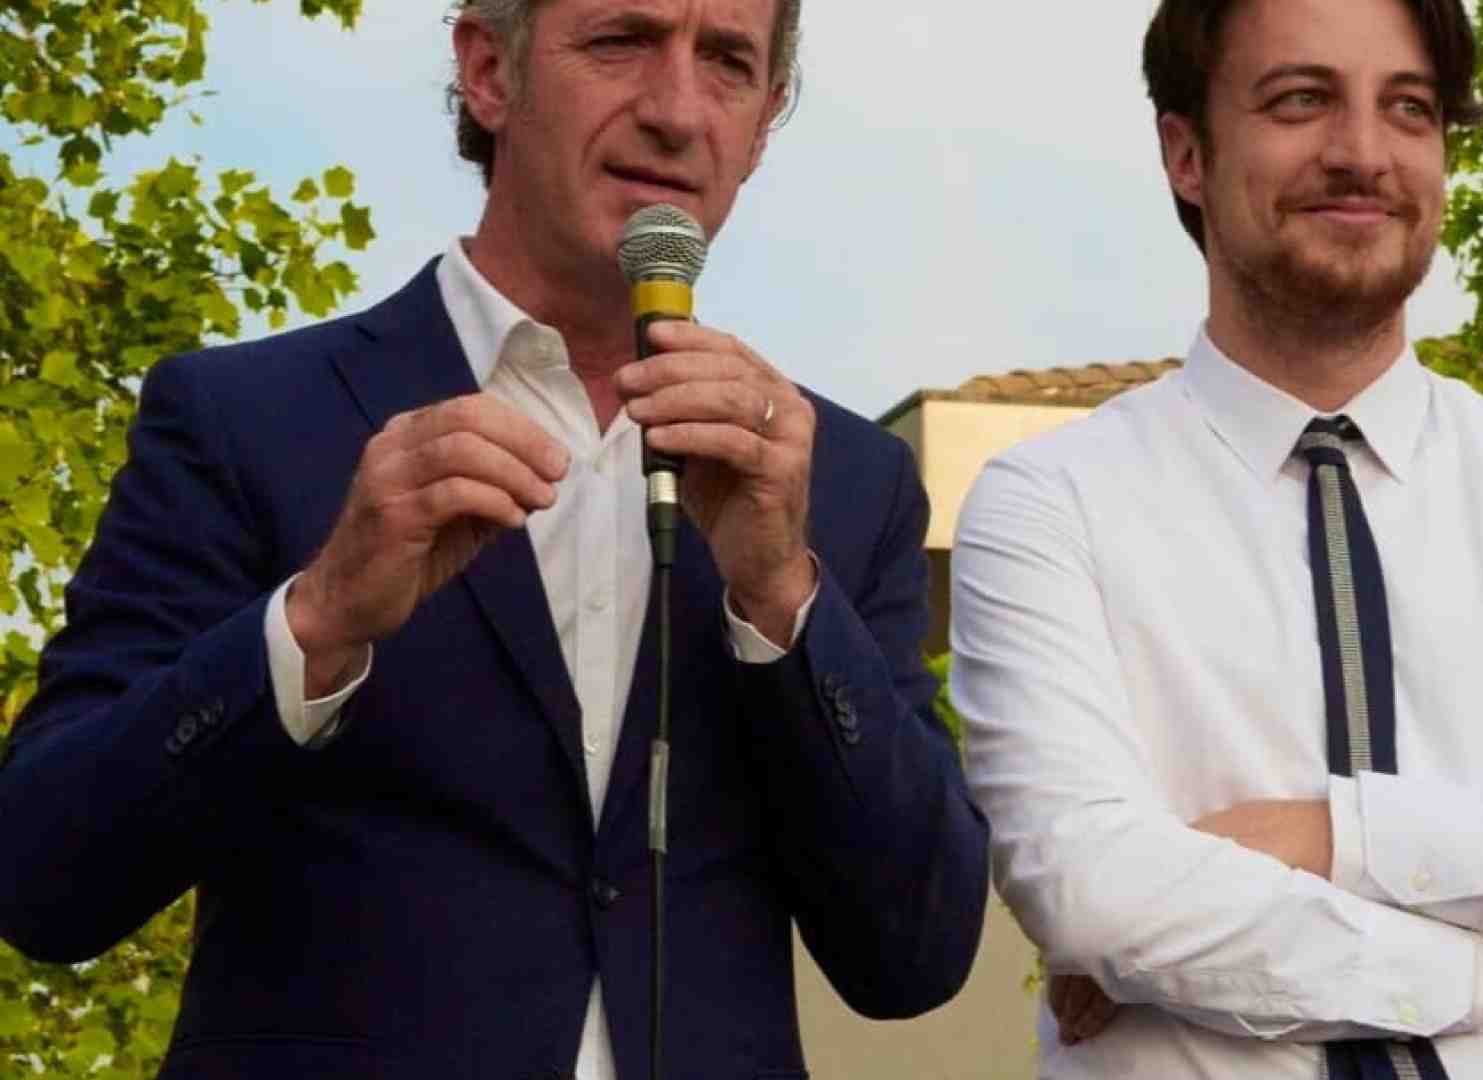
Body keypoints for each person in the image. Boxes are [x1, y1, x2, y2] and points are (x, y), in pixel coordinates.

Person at [0, 1, 989, 1077]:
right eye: (621, 40)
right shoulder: (244, 420)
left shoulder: (841, 482)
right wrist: (315, 623)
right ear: (488, 70)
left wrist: (783, 597)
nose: (675, 110)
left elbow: (916, 956)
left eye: (727, 62)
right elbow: (43, 879)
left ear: (761, 125)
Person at [949, 0, 1483, 1077]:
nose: (1362, 154)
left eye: (1410, 108)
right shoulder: (1046, 506)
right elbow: (1098, 897)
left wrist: (1322, 838)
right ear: (1187, 153)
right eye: (1301, 100)